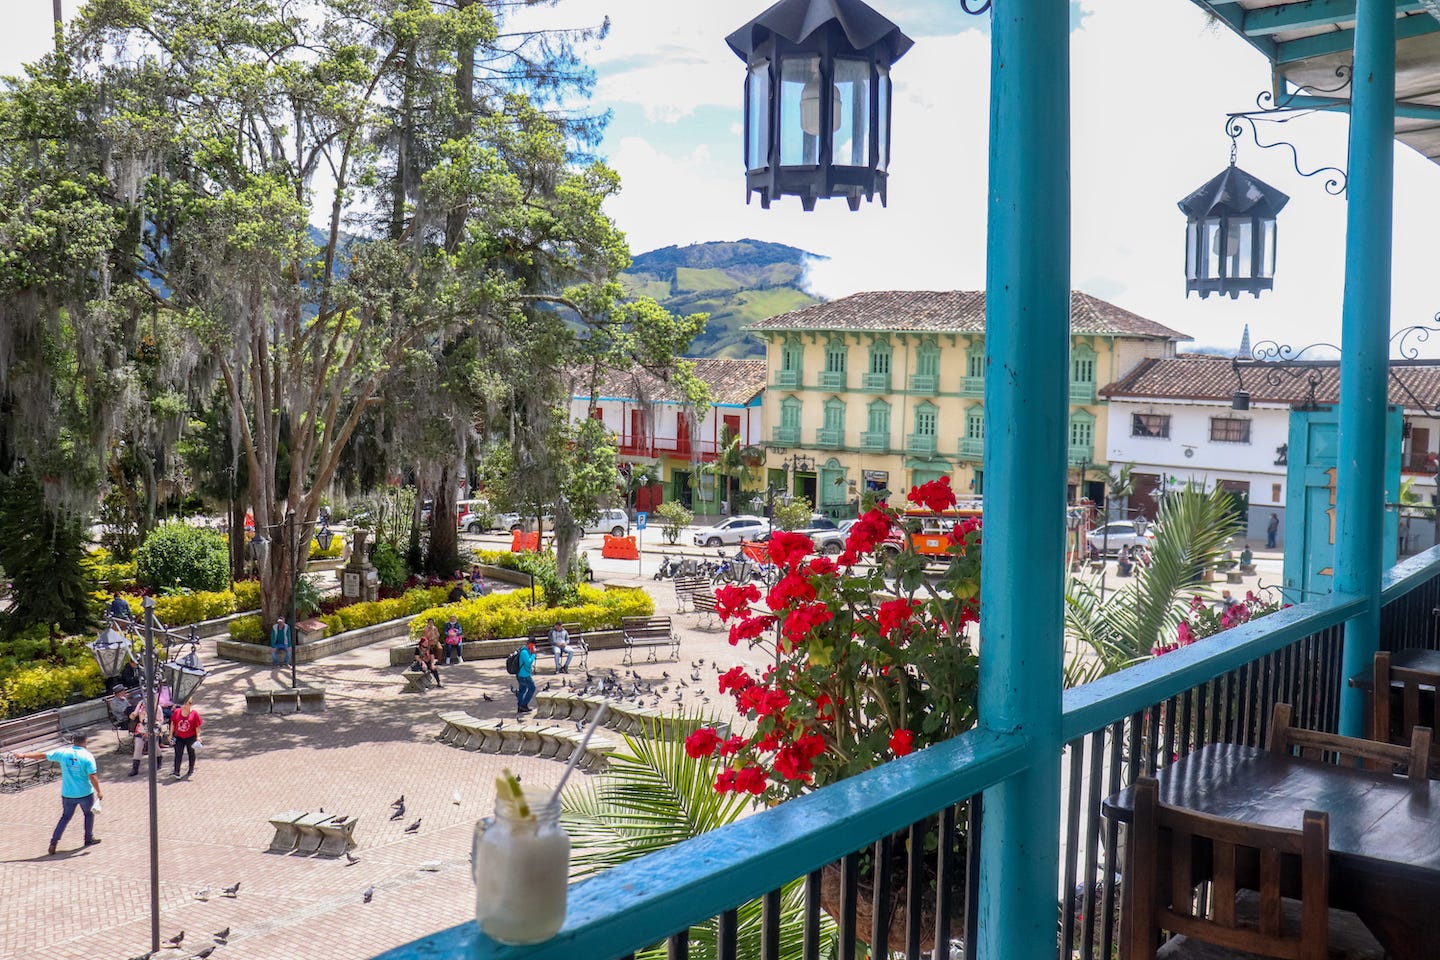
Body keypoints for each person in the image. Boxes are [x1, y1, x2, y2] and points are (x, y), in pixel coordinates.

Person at [14, 731, 102, 855]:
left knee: (65, 817)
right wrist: (99, 791)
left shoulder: (63, 753)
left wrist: (23, 755)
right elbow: (93, 776)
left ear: (73, 741)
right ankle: (88, 838)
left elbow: (43, 755)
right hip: (85, 793)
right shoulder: (87, 756)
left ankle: (53, 842)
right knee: (88, 814)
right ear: (85, 742)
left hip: (68, 793)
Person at [170, 698, 203, 780]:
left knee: (191, 752)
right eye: (183, 704)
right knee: (178, 753)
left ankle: (191, 768)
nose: (184, 706)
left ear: (190, 704)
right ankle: (176, 771)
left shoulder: (194, 714)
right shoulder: (177, 712)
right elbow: (173, 724)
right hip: (179, 737)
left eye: (186, 704)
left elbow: (197, 726)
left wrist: (198, 736)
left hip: (190, 736)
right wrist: (170, 735)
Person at [127, 698, 154, 777]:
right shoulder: (141, 703)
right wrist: (133, 715)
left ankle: (158, 760)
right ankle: (135, 769)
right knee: (138, 748)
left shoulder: (156, 705)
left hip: (152, 729)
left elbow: (159, 719)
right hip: (141, 729)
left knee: (155, 748)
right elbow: (135, 713)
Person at [414, 620, 442, 688]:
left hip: (428, 660)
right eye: (425, 643)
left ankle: (438, 682)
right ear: (422, 643)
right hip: (421, 662)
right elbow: (417, 657)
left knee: (434, 669)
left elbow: (432, 656)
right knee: (423, 669)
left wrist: (432, 664)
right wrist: (422, 662)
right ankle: (424, 684)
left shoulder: (429, 648)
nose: (426, 644)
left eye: (427, 643)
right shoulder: (418, 648)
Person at [515, 640, 537, 713]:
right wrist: (533, 654)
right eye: (533, 645)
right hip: (524, 675)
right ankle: (523, 705)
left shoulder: (525, 650)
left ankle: (520, 706)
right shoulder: (524, 652)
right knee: (532, 688)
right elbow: (528, 662)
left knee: (522, 689)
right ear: (530, 644)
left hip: (521, 674)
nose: (534, 647)